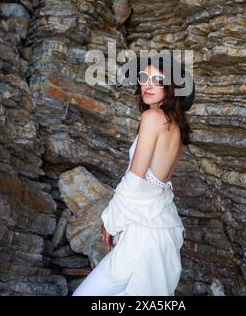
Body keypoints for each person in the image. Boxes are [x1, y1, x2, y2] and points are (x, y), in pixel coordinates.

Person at [72, 53, 195, 296]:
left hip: (144, 235)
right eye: (143, 77)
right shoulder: (177, 128)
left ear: (171, 87)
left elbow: (136, 180)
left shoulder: (151, 118)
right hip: (159, 229)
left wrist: (110, 221)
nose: (147, 84)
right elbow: (157, 184)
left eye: (157, 79)